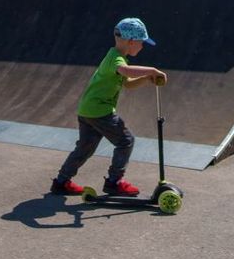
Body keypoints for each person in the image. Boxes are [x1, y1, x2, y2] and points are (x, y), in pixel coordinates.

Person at [50, 17, 168, 197]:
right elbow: (126, 71)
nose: (142, 46)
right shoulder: (116, 59)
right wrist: (152, 70)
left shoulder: (116, 58)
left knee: (84, 148)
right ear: (130, 41)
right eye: (141, 43)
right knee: (125, 141)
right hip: (100, 111)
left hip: (87, 110)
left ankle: (61, 181)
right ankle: (114, 182)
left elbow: (127, 83)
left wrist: (145, 79)